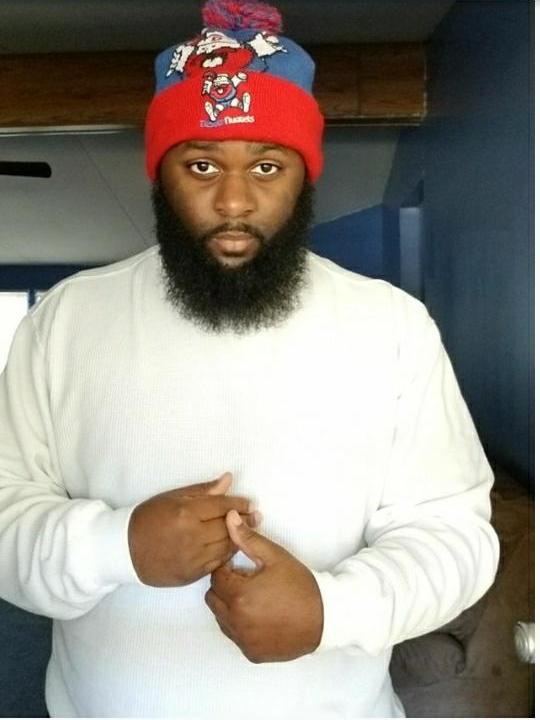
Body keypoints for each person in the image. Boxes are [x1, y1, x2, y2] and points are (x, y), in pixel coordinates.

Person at [0, 0, 499, 717]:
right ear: (160, 173)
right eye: (201, 164)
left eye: (266, 166)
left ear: (304, 176)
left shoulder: (392, 327)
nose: (234, 201)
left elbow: (456, 537)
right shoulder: (64, 321)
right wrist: (115, 546)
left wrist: (331, 609)